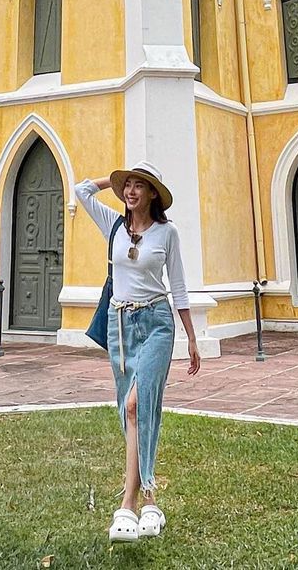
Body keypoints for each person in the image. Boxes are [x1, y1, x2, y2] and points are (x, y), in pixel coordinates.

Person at [75, 162, 201, 544]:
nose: (130, 191)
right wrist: (112, 178)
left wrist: (192, 338)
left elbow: (177, 286)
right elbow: (81, 191)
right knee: (129, 410)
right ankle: (151, 499)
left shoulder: (167, 232)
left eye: (138, 186)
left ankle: (127, 503)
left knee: (136, 404)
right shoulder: (113, 225)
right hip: (120, 327)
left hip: (158, 324)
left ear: (152, 195)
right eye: (126, 186)